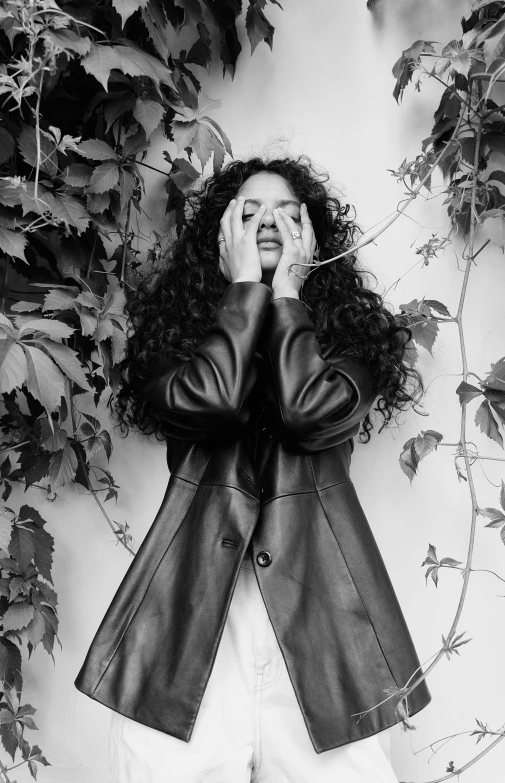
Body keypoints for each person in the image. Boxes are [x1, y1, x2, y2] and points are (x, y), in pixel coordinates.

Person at [74, 155, 432, 782]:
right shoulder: (174, 343)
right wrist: (245, 293)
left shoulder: (354, 345)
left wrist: (286, 295)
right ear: (221, 237)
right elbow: (210, 401)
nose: (269, 221)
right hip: (190, 621)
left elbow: (308, 414)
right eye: (249, 211)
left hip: (323, 622)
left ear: (314, 238)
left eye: (288, 213)